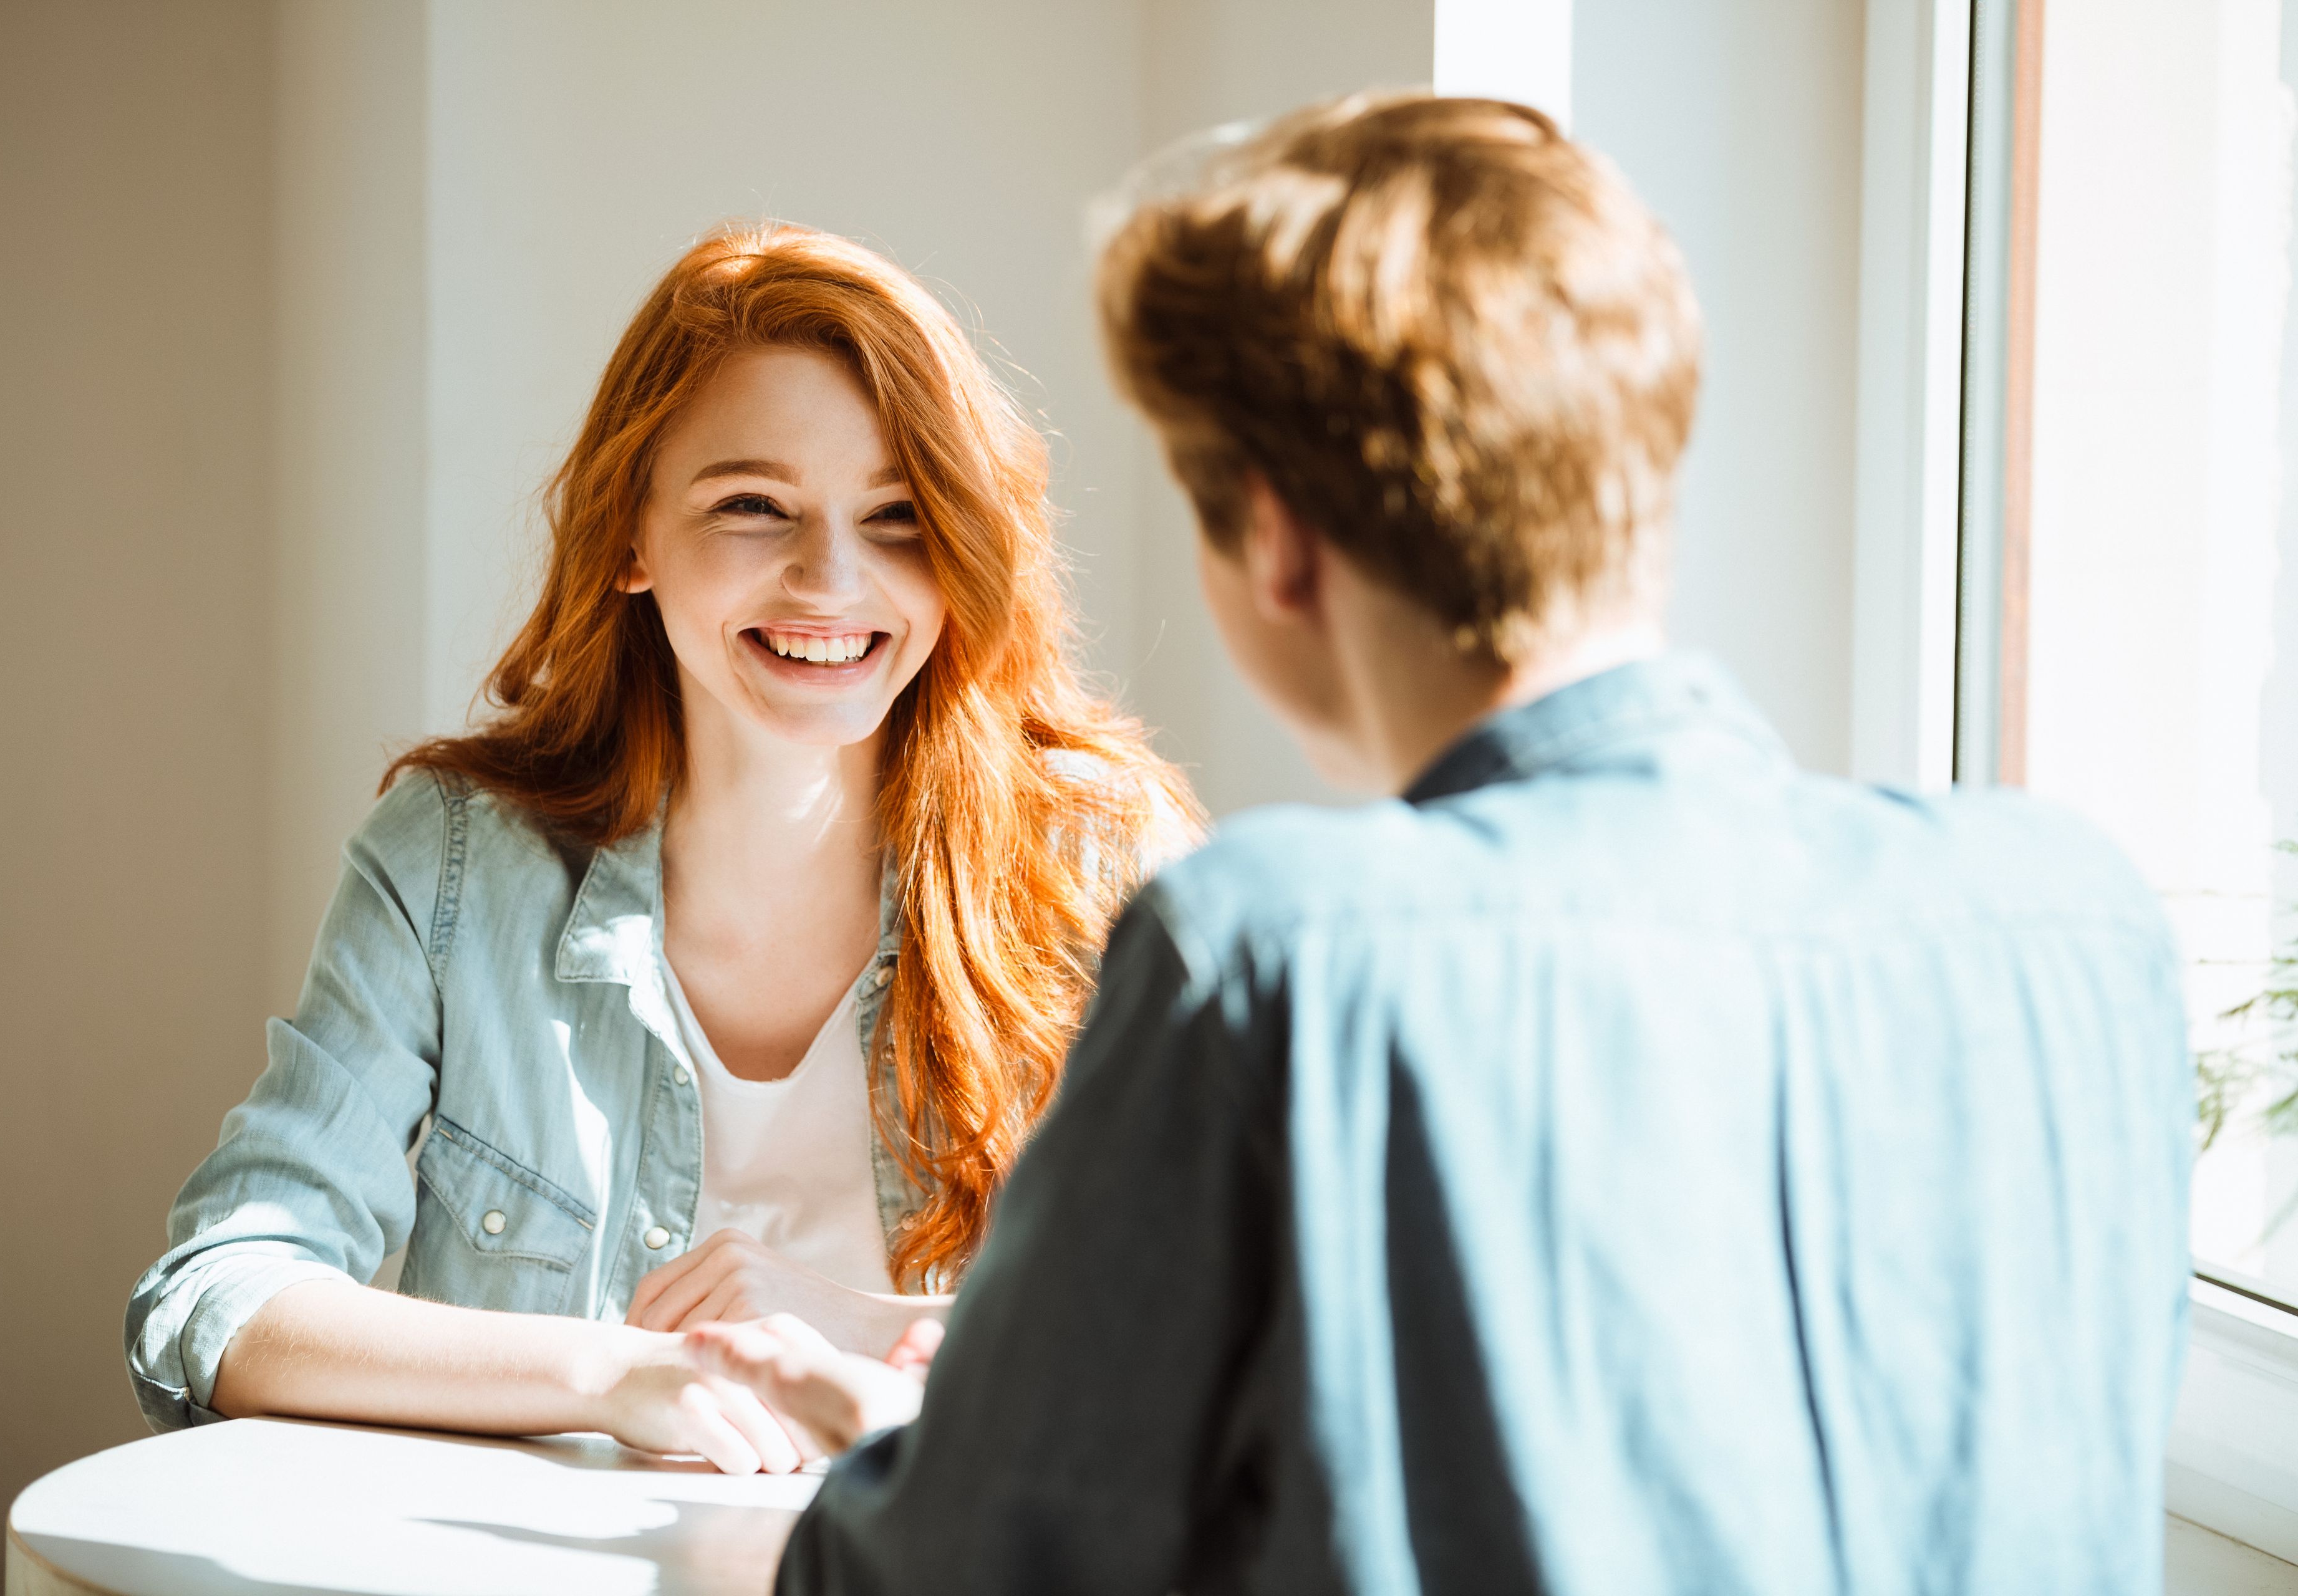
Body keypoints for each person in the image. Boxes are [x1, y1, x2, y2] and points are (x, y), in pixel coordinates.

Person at [691, 94, 2194, 1592]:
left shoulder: (1276, 953)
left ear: (1271, 540)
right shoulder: (2079, 918)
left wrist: (798, 1522)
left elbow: (950, 1575)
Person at [123, 223, 1198, 1473]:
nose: (831, 578)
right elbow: (219, 1294)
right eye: (753, 505)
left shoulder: (1099, 861)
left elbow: (1240, 1331)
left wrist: (863, 1328)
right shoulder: (456, 863)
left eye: (900, 517)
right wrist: (613, 1371)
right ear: (631, 535)